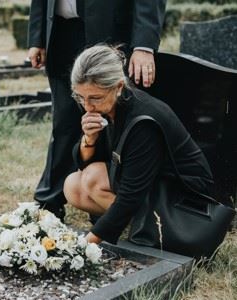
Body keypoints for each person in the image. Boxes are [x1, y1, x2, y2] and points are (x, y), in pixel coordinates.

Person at [27, 0, 167, 220]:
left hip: (110, 32)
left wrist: (143, 45)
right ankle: (49, 201)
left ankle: (102, 202)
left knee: (108, 118)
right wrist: (37, 36)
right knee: (63, 122)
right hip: (60, 32)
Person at [63, 45, 214, 244]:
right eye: (80, 97)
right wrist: (89, 140)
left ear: (118, 87)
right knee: (73, 185)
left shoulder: (143, 121)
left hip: (183, 196)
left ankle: (153, 226)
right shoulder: (104, 105)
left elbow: (130, 193)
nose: (88, 106)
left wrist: (84, 245)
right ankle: (137, 223)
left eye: (95, 98)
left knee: (93, 178)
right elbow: (84, 162)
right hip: (147, 182)